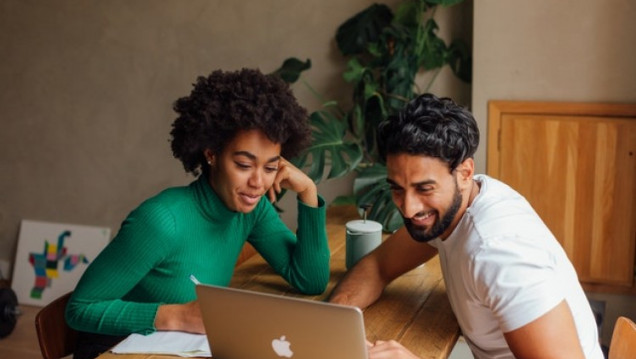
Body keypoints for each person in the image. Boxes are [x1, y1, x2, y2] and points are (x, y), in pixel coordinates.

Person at [66, 68, 330, 359]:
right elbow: (81, 309)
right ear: (212, 154)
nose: (258, 183)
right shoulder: (161, 221)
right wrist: (177, 316)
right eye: (244, 165)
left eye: (270, 167)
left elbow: (310, 280)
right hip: (117, 350)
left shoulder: (251, 210)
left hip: (180, 349)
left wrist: (307, 191)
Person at [329, 93, 603, 358]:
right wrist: (336, 324)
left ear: (465, 172)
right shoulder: (459, 202)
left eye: (425, 188)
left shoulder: (499, 253)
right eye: (398, 189)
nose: (409, 208)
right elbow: (378, 266)